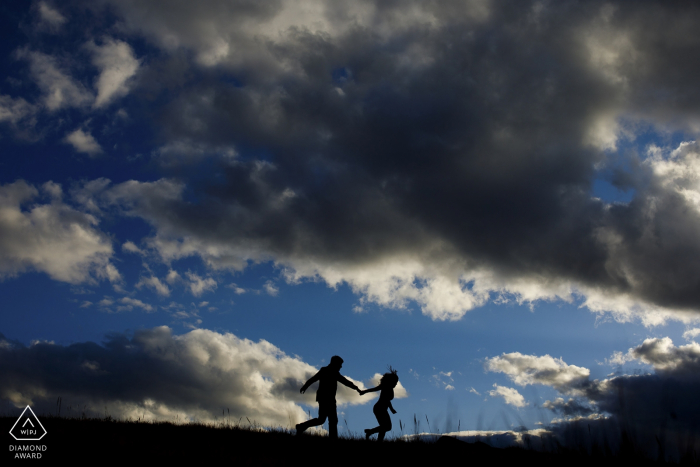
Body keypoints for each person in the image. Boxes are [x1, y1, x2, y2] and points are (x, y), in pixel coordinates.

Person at [296, 355, 361, 439]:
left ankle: (301, 427)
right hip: (326, 398)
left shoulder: (329, 371)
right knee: (330, 420)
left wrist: (355, 388)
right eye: (340, 364)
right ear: (335, 363)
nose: (341, 366)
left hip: (326, 398)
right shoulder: (329, 371)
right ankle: (332, 438)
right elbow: (344, 381)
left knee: (324, 420)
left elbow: (344, 381)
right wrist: (305, 386)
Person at [360, 367, 398, 441]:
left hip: (382, 409)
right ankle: (370, 432)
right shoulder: (385, 386)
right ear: (391, 381)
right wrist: (364, 391)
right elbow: (374, 389)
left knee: (384, 426)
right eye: (395, 382)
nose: (396, 384)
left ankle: (378, 440)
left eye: (396, 382)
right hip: (379, 408)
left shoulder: (390, 388)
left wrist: (391, 408)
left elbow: (387, 400)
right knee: (387, 427)